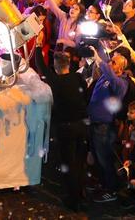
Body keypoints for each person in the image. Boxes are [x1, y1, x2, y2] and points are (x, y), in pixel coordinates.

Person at [33, 50, 89, 211]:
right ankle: (80, 193)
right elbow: (84, 93)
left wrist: (37, 47)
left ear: (56, 66)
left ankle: (73, 199)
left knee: (69, 164)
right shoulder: (77, 78)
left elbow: (41, 66)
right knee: (80, 162)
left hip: (67, 128)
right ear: (69, 64)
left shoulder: (56, 81)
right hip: (82, 125)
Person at [88, 46, 133, 202]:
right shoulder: (107, 76)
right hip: (94, 123)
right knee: (97, 157)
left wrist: (99, 60)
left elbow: (111, 77)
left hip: (104, 126)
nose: (109, 63)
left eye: (113, 62)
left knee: (105, 159)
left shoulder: (121, 83)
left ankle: (112, 190)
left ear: (120, 69)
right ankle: (103, 184)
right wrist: (97, 48)